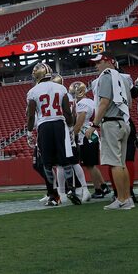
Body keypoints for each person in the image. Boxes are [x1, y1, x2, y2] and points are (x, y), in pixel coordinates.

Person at [25, 63, 81, 206]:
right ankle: (71, 190)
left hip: (44, 126)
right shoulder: (61, 88)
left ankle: (53, 196)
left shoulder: (33, 91)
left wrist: (29, 130)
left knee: (47, 163)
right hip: (59, 124)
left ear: (37, 75)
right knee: (65, 159)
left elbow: (31, 115)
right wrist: (69, 126)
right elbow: (67, 111)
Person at [85, 52, 134, 210]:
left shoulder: (106, 76)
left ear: (109, 62)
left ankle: (121, 199)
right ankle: (127, 198)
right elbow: (130, 105)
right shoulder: (124, 78)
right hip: (123, 122)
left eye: (99, 62)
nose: (96, 66)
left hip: (111, 123)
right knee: (122, 163)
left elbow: (104, 102)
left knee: (115, 164)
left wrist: (94, 124)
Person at [51, 73, 89, 203]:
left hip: (61, 129)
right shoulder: (69, 96)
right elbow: (73, 114)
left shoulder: (57, 95)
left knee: (61, 164)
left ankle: (62, 192)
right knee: (73, 162)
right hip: (69, 130)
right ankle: (83, 189)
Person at [69, 81, 110, 199]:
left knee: (90, 165)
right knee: (91, 165)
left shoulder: (82, 104)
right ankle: (103, 186)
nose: (72, 95)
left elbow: (80, 122)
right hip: (91, 134)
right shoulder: (91, 101)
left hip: (87, 136)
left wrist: (73, 135)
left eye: (73, 93)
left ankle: (98, 189)